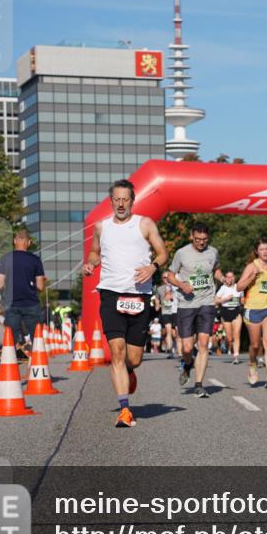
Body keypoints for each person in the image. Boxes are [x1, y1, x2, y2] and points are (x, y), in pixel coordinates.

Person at [83, 179, 168, 428]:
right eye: (117, 199)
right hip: (111, 293)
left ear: (132, 201)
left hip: (139, 295)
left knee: (134, 358)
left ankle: (129, 371)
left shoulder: (145, 224)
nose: (121, 204)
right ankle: (124, 409)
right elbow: (94, 252)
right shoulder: (102, 226)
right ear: (111, 201)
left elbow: (162, 252)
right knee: (117, 352)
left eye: (125, 199)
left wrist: (152, 267)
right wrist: (91, 264)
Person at [165, 222, 223, 398]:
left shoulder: (213, 252)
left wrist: (222, 278)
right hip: (187, 304)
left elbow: (216, 270)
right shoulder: (181, 253)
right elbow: (170, 275)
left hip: (207, 302)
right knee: (187, 348)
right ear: (191, 236)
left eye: (204, 239)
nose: (201, 242)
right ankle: (188, 364)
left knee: (204, 343)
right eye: (197, 239)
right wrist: (181, 285)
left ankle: (199, 385)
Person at [236, 239, 267, 389]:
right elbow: (239, 287)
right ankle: (252, 364)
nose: (265, 252)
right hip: (253, 308)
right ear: (257, 252)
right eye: (262, 249)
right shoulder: (252, 266)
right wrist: (251, 277)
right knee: (255, 345)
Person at [0, 228, 47, 348]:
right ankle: (37, 358)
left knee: (10, 339)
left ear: (14, 241)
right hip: (31, 304)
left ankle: (10, 358)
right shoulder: (35, 260)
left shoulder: (6, 258)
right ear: (28, 243)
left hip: (12, 304)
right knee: (37, 338)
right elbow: (40, 286)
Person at [214, 271, 244, 365]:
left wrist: (243, 301)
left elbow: (242, 299)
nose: (230, 279)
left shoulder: (239, 287)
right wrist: (225, 299)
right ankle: (225, 345)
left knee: (236, 335)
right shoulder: (223, 288)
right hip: (225, 312)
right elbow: (215, 301)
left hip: (236, 312)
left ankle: (236, 357)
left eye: (231, 277)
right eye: (228, 277)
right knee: (230, 338)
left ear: (234, 278)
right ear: (225, 278)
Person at [156, 283, 178, 358]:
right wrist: (157, 305)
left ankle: (177, 348)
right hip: (165, 311)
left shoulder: (176, 285)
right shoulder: (160, 288)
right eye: (164, 278)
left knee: (175, 333)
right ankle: (170, 351)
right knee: (168, 331)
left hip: (175, 311)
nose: (166, 279)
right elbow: (157, 297)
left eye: (167, 278)